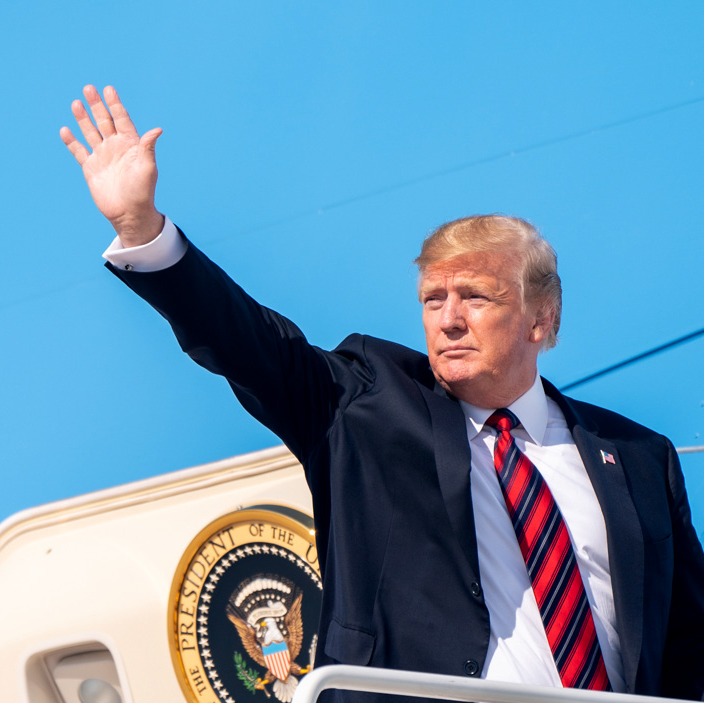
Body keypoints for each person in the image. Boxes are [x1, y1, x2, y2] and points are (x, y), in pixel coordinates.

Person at [61, 84, 704, 701]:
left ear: (543, 317)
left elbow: (689, 641)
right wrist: (144, 228)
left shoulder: (640, 458)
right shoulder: (363, 408)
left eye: (475, 296)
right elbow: (249, 344)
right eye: (433, 299)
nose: (448, 318)